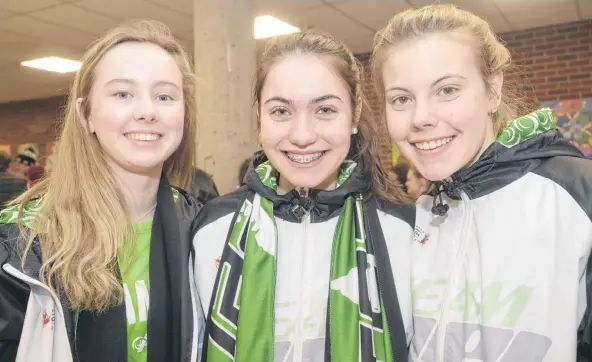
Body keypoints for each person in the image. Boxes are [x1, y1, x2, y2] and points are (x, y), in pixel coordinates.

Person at [372, 4, 592, 361]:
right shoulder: (416, 217)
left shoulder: (575, 198)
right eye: (401, 99)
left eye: (446, 90)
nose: (421, 118)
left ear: (493, 90)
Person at [192, 31, 415, 362]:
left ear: (353, 116)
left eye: (324, 110)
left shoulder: (404, 230)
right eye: (281, 111)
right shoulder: (213, 228)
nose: (301, 136)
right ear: (260, 120)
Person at [0, 20, 202, 362]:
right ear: (86, 114)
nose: (147, 112)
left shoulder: (203, 227)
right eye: (123, 93)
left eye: (165, 96)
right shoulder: (19, 239)